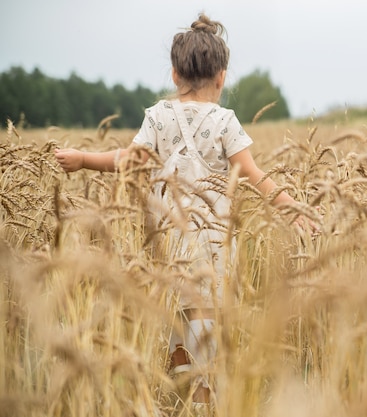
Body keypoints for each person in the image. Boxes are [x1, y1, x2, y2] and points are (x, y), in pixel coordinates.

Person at [55, 13, 315, 409]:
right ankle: (201, 398)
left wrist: (83, 158)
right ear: (222, 77)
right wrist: (292, 207)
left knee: (177, 307)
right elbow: (253, 175)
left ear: (175, 75)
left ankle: (179, 387)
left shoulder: (158, 116)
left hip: (168, 235)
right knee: (205, 313)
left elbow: (128, 159)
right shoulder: (225, 120)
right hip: (211, 237)